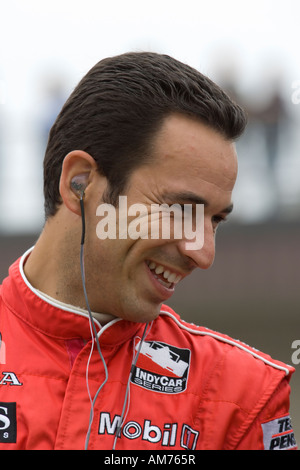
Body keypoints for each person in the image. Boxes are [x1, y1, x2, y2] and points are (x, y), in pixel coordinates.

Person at [0, 52, 297, 451]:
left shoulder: (243, 396)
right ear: (79, 184)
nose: (204, 254)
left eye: (214, 221)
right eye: (179, 210)